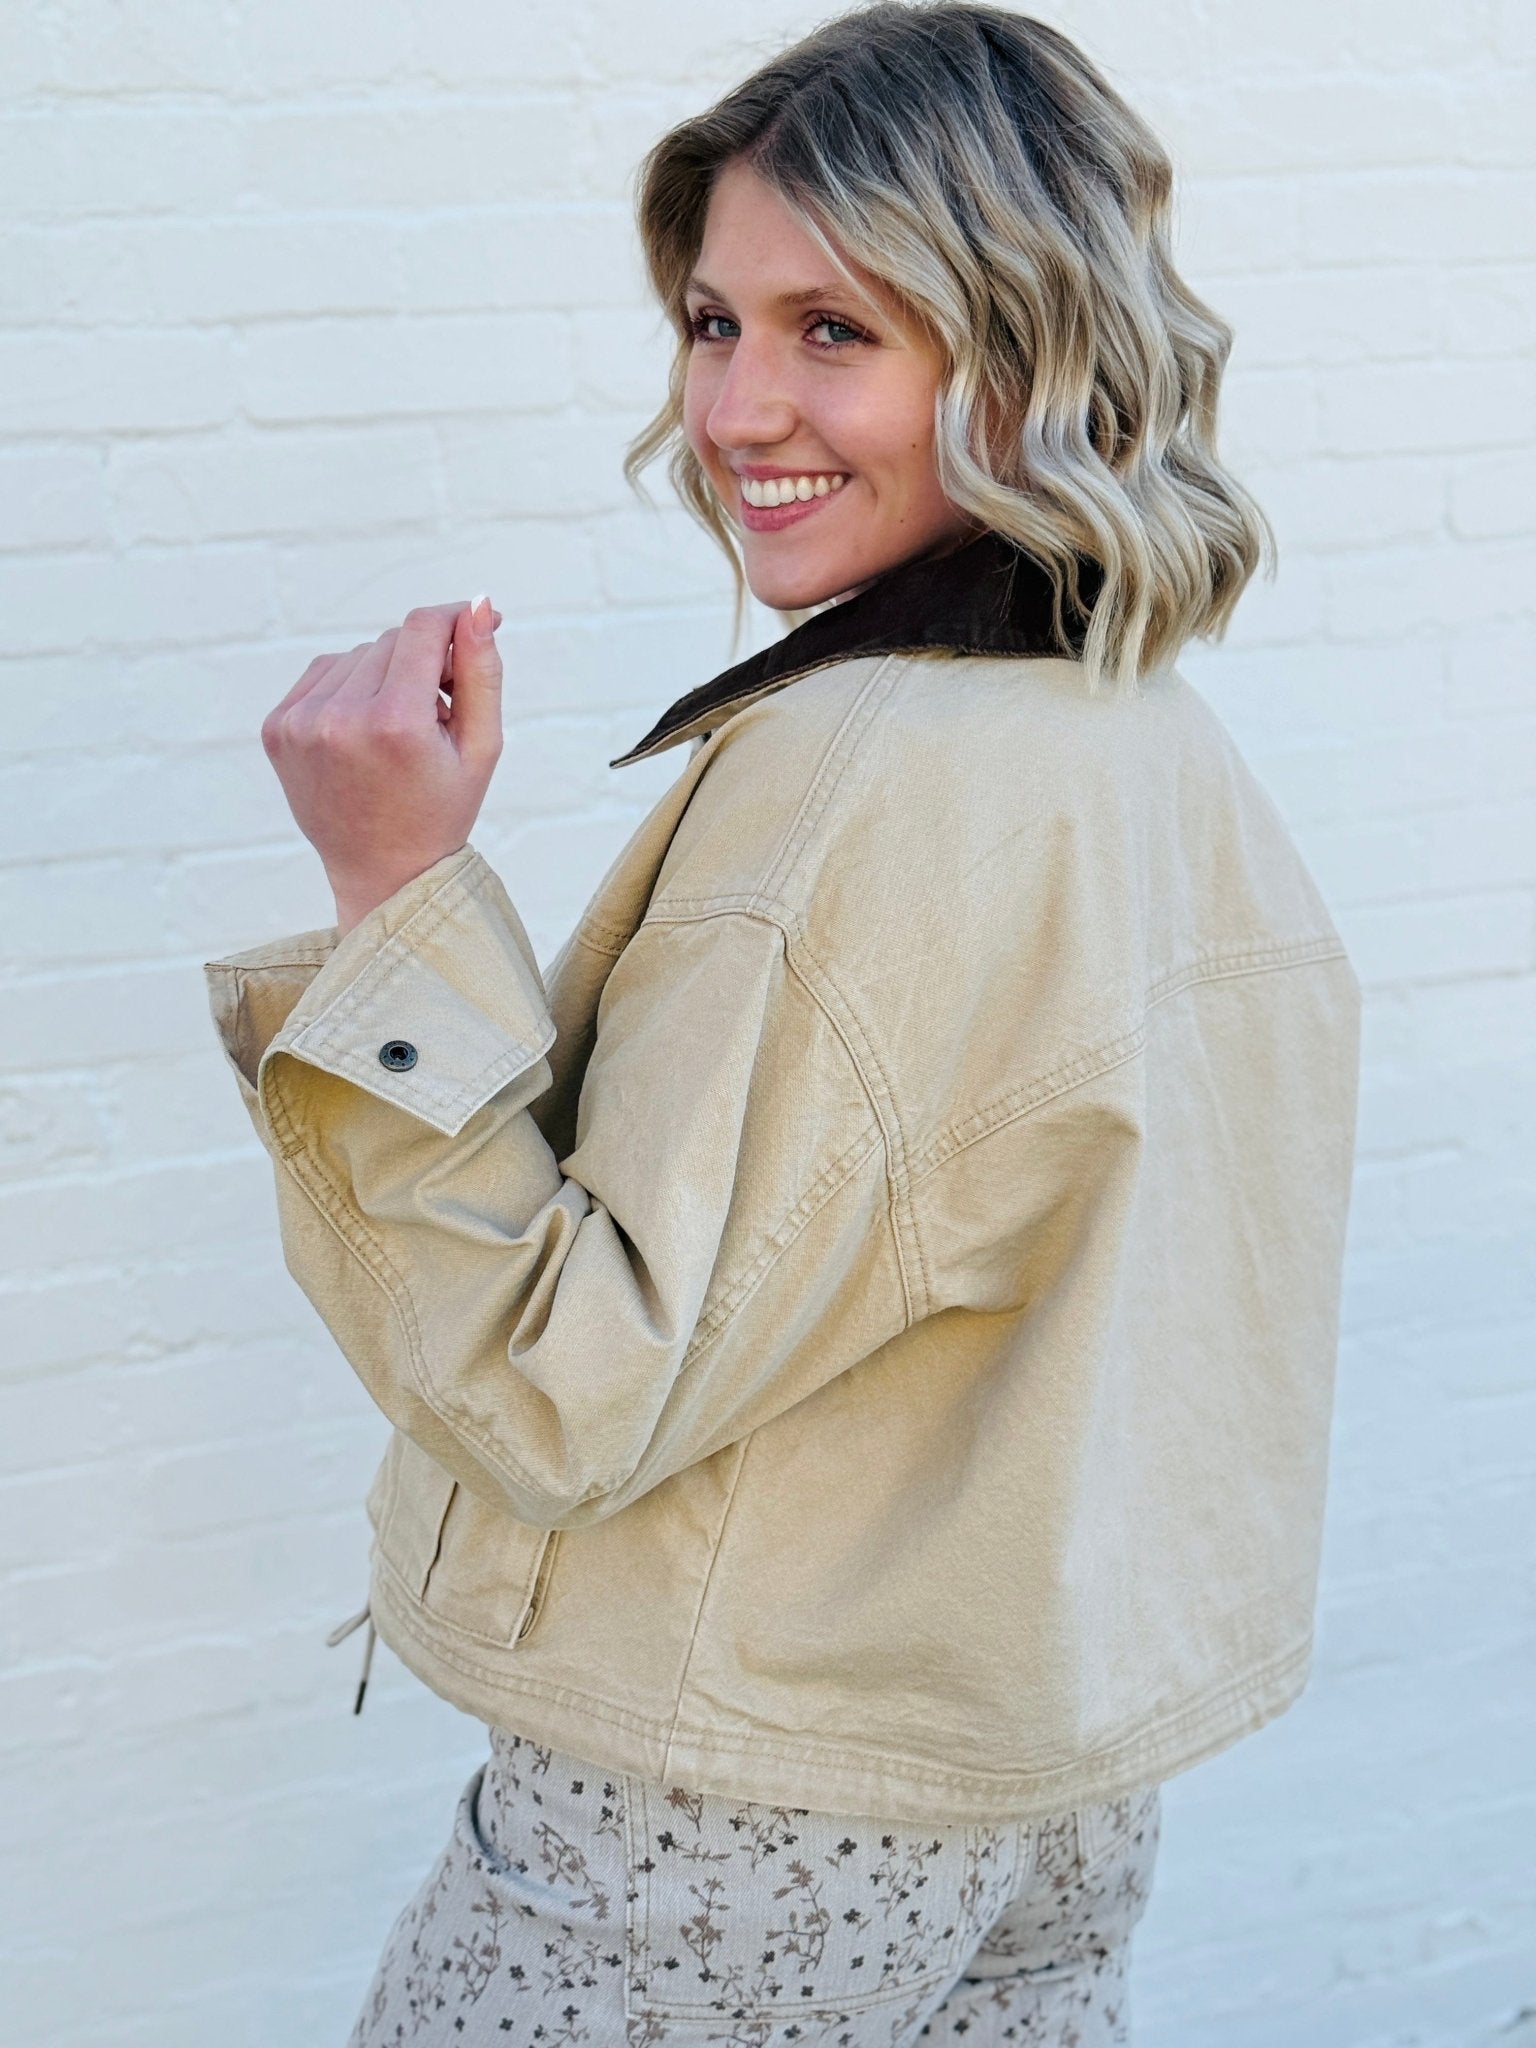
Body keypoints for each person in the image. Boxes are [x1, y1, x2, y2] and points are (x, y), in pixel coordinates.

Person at [203, 5, 1361, 2042]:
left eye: (838, 330)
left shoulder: (861, 777)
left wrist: (393, 897)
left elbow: (559, 1387)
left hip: (732, 1824)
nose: (740, 407)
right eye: (714, 322)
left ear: (1030, 349)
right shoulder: (1144, 738)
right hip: (1036, 1774)